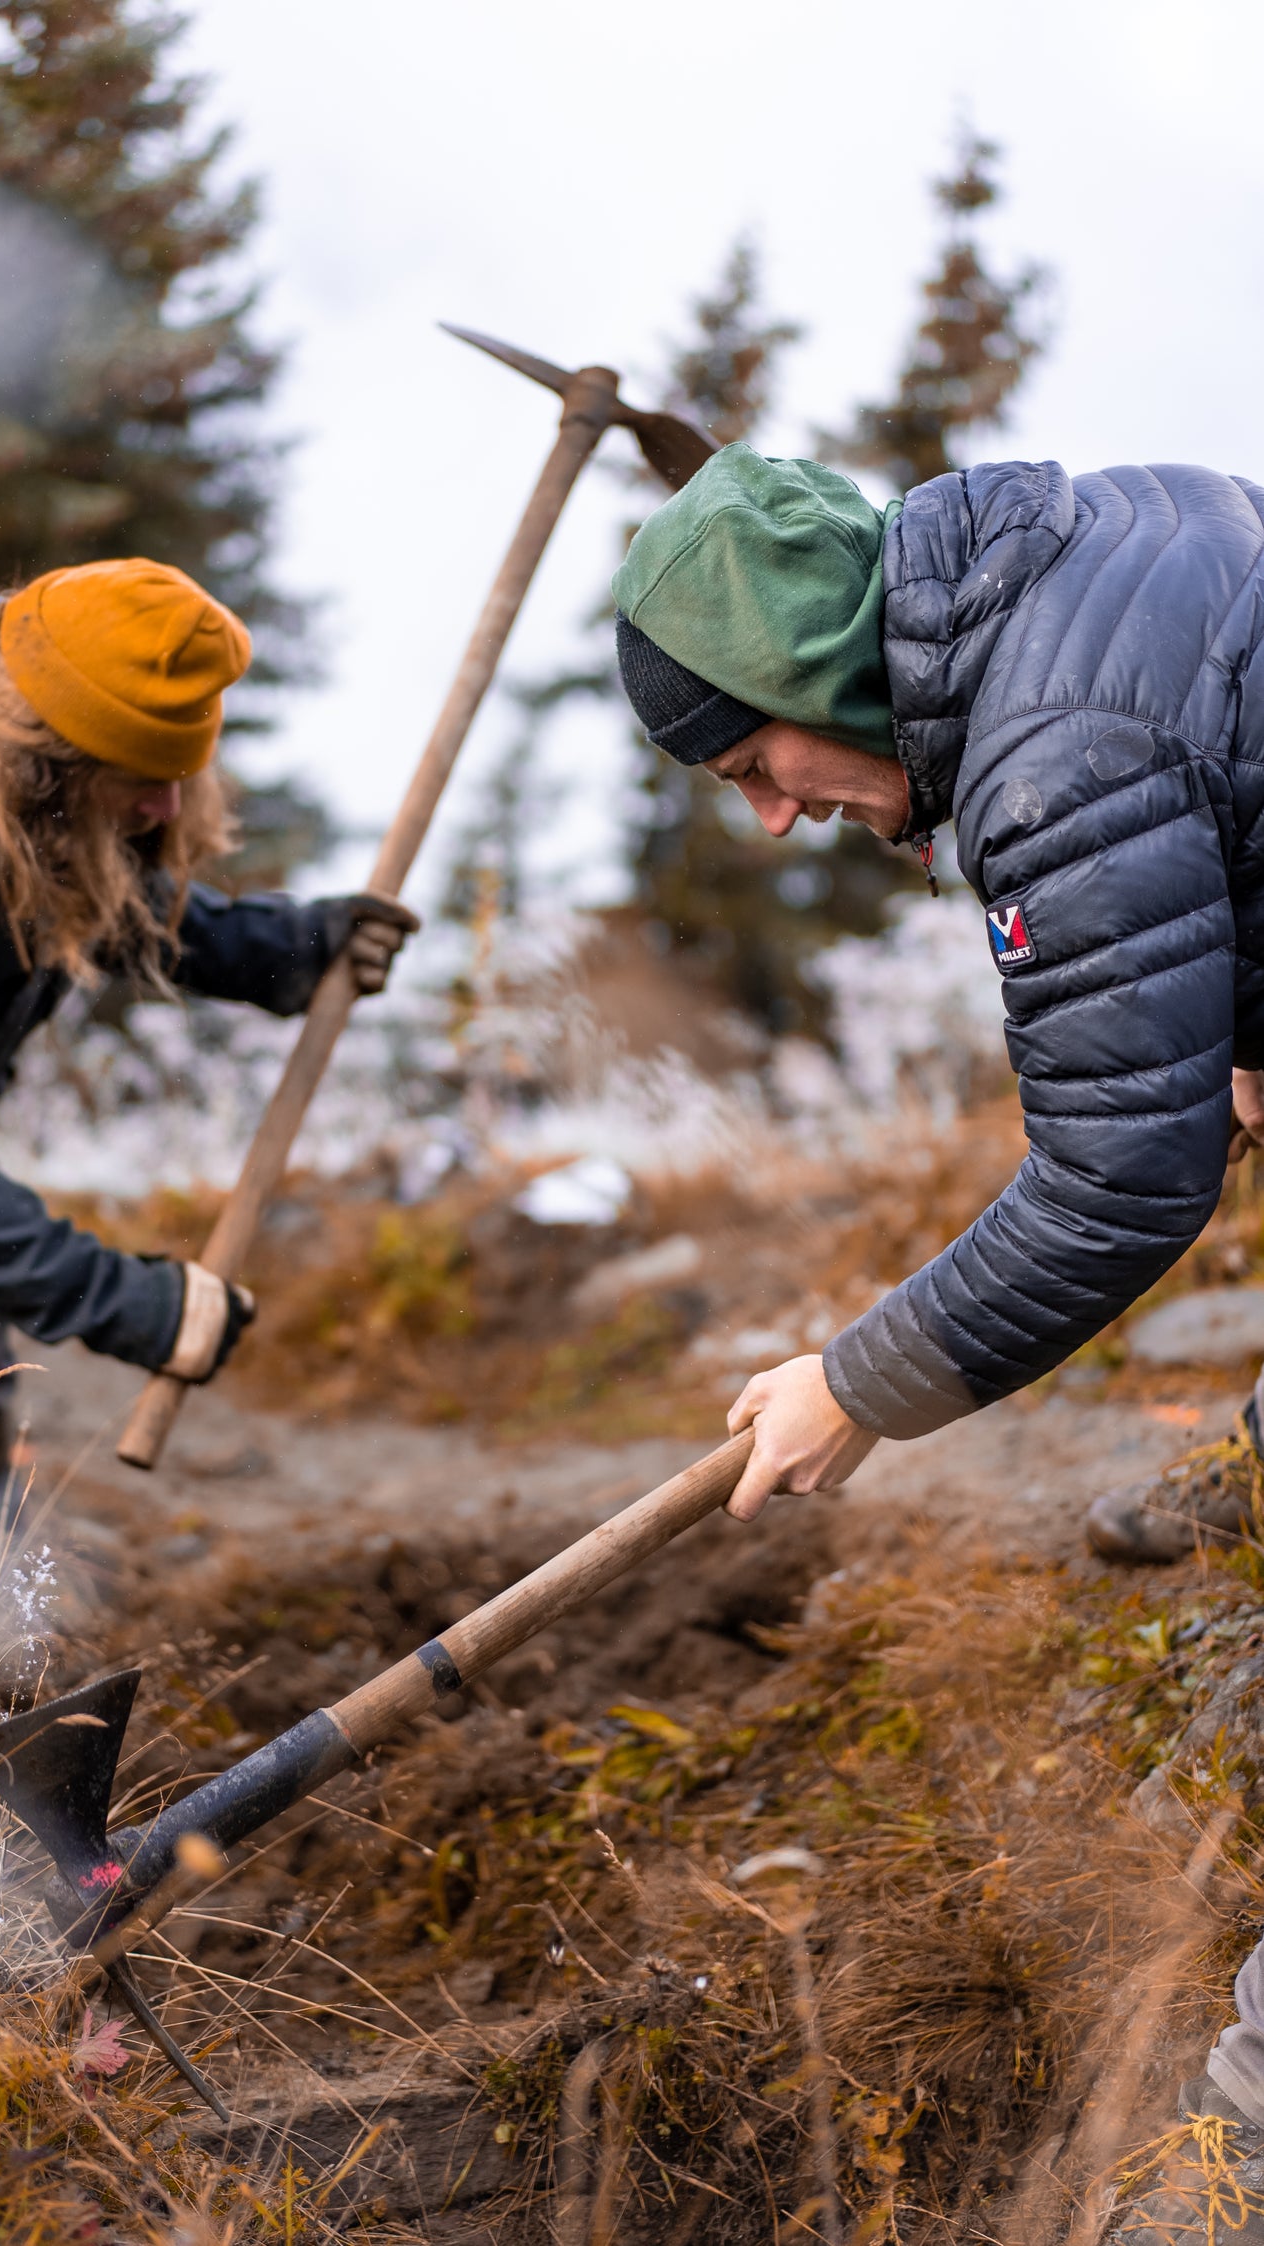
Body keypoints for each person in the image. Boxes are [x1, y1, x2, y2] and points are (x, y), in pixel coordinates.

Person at [611, 445, 1264, 2228]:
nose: (770, 814)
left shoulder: (1051, 749)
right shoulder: (1116, 529)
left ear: (824, 677)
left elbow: (1126, 1183)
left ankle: (1241, 2160)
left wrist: (855, 1384)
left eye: (757, 765)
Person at [0, 559, 417, 1590]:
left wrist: (294, 947)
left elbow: (118, 898)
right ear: (47, 767)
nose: (164, 805)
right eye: (138, 776)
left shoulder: (14, 760)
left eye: (178, 773)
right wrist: (136, 1303)